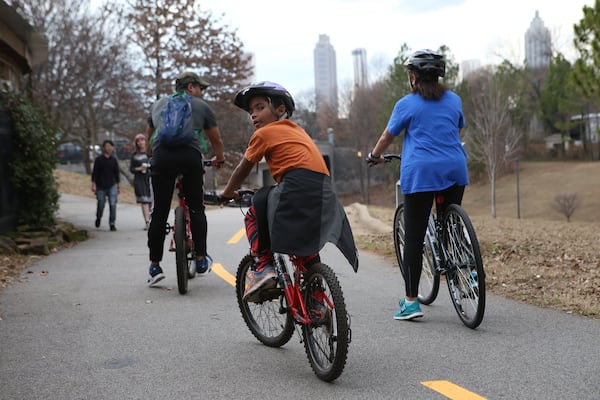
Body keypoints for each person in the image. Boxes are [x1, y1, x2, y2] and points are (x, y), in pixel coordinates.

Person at [220, 81, 358, 302]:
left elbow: (241, 170)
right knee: (306, 239)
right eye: (251, 111)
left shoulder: (264, 134)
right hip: (323, 191)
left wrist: (227, 193)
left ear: (280, 109)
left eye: (260, 107)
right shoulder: (298, 131)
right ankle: (316, 300)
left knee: (256, 208)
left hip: (295, 184)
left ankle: (263, 267)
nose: (254, 115)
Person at [367, 49, 469, 320]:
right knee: (451, 221)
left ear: (413, 78)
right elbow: (457, 126)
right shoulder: (454, 100)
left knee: (413, 237)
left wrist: (375, 156)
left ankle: (411, 302)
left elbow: (388, 136)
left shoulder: (406, 105)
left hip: (421, 174)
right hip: (454, 168)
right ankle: (467, 271)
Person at [146, 71, 225, 286]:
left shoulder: (158, 104)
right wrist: (220, 157)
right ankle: (200, 259)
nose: (201, 92)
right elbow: (215, 138)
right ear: (190, 87)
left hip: (162, 157)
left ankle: (154, 267)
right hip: (190, 157)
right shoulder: (201, 106)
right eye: (200, 88)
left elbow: (149, 137)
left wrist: (151, 157)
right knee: (197, 207)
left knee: (159, 212)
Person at [91, 139, 120, 231]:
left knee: (113, 204)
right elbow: (94, 173)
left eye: (110, 146)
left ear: (112, 148)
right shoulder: (99, 160)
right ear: (103, 148)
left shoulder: (114, 160)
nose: (108, 148)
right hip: (100, 186)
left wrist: (118, 186)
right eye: (106, 146)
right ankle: (98, 217)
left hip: (112, 185)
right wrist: (93, 184)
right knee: (101, 204)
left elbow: (117, 173)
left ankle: (112, 223)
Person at [129, 133, 152, 230]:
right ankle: (147, 222)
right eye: (138, 141)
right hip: (140, 180)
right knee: (144, 201)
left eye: (142, 140)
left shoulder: (151, 153)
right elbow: (131, 169)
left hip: (151, 178)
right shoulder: (134, 155)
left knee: (152, 201)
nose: (140, 142)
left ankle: (152, 220)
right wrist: (139, 168)